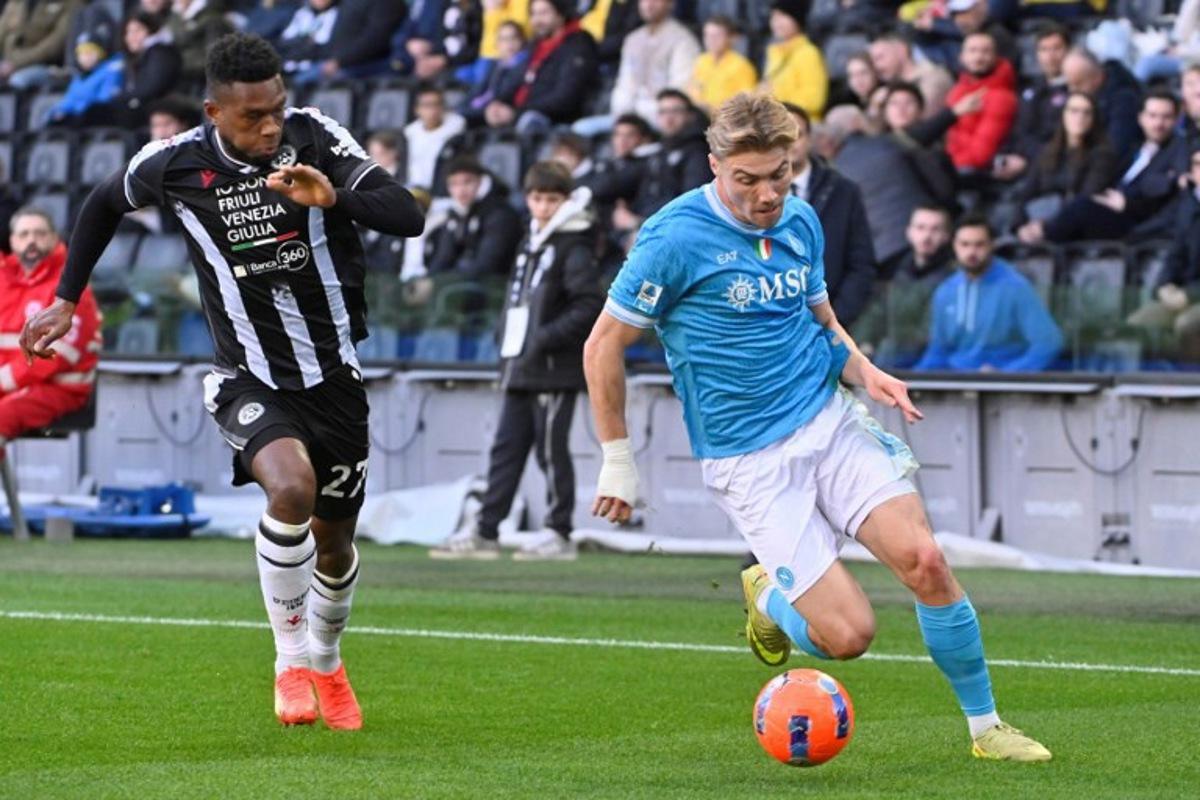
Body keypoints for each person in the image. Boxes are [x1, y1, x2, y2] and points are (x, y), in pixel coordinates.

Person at [584, 92, 1052, 762]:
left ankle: (987, 730)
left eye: (780, 174)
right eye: (748, 179)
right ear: (714, 165)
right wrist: (617, 459)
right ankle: (769, 598)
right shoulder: (672, 238)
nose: (767, 193)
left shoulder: (802, 220)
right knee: (849, 636)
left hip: (827, 419)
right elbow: (602, 344)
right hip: (749, 457)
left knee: (926, 561)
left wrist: (866, 369)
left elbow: (821, 321)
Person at [20, 32, 424, 731]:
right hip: (246, 375)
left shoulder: (316, 139)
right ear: (214, 111)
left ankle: (327, 661)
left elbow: (408, 216)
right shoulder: (174, 164)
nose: (269, 126)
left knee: (335, 546)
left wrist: (334, 199)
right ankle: (290, 658)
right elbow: (99, 204)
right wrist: (64, 296)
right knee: (290, 488)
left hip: (332, 377)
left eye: (275, 109)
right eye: (251, 116)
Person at [431, 161, 604, 561]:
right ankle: (486, 530)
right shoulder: (531, 241)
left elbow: (588, 305)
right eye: (536, 198)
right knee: (506, 449)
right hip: (520, 365)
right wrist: (505, 333)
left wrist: (542, 338)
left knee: (550, 451)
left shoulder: (573, 245)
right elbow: (518, 298)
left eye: (551, 199)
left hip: (552, 369)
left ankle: (559, 532)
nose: (542, 206)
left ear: (565, 201)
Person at [1024, 91, 1188, 244]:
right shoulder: (1134, 149)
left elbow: (1165, 190)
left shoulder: (1179, 149)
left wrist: (1127, 203)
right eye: (1152, 116)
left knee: (1082, 207)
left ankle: (1043, 236)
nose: (1158, 123)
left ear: (1176, 120)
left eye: (1166, 117)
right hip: (1108, 211)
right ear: (1141, 118)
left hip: (1133, 222)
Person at [0, 208, 101, 445]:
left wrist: (3, 380)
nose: (31, 240)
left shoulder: (71, 285)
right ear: (12, 241)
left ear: (54, 238)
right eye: (24, 234)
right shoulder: (3, 280)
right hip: (11, 383)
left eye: (40, 233)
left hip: (58, 388)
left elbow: (58, 356)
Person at [915, 214, 1063, 372]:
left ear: (991, 245)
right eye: (965, 244)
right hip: (954, 382)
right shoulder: (945, 291)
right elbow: (938, 349)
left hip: (998, 387)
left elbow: (1048, 342)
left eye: (979, 245)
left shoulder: (1015, 287)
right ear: (954, 246)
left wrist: (1007, 373)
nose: (971, 252)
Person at [786, 104, 876, 328]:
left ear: (809, 139)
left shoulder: (843, 190)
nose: (789, 142)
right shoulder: (749, 195)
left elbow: (861, 263)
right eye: (779, 135)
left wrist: (834, 319)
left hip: (830, 327)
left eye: (797, 133)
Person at [858, 204, 957, 368]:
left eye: (935, 229)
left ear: (947, 236)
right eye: (921, 228)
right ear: (909, 232)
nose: (927, 236)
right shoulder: (896, 274)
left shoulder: (954, 279)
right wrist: (864, 343)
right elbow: (875, 315)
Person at [1126, 147, 1200, 364]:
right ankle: (1151, 387)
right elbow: (1175, 254)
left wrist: (1189, 295)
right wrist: (1163, 287)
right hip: (1181, 294)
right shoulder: (1188, 206)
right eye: (1197, 164)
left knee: (1186, 325)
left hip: (1193, 296)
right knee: (1138, 322)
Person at [1014, 92, 1117, 240]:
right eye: (1074, 111)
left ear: (1094, 119)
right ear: (1064, 115)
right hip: (1037, 223)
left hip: (1070, 228)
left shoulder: (1102, 155)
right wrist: (1020, 226)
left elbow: (1086, 197)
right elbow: (1027, 193)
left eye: (1086, 113)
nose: (1080, 118)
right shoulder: (1047, 152)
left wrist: (1045, 226)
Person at [993, 22, 1070, 182]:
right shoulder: (1028, 89)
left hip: (1046, 171)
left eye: (1057, 48)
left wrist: (1027, 162)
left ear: (1069, 51)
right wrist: (1002, 156)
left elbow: (1061, 141)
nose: (1050, 56)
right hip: (1013, 163)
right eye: (1044, 49)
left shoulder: (1075, 92)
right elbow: (1015, 129)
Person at [425, 155, 523, 280]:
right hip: (462, 285)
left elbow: (488, 264)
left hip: (494, 287)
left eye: (467, 182)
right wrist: (429, 281)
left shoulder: (500, 214)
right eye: (454, 184)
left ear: (481, 181)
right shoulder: (455, 214)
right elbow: (443, 258)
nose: (461, 190)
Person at [610, 0, 700, 124]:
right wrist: (623, 119)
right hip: (630, 118)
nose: (649, 5)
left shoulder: (683, 40)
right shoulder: (632, 39)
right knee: (582, 128)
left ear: (670, 4)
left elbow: (680, 90)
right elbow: (624, 86)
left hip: (662, 119)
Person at [944, 31, 1017, 174]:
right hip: (953, 164)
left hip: (973, 172)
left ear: (996, 57)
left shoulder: (1001, 97)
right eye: (972, 51)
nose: (978, 57)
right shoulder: (957, 90)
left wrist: (945, 168)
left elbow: (980, 156)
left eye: (985, 51)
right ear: (962, 57)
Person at [1061, 46, 1141, 163]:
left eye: (1078, 84)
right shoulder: (1075, 96)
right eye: (1070, 84)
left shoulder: (1124, 100)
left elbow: (1116, 147)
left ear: (1097, 78)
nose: (1072, 91)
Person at [760, 0, 827, 120]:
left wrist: (775, 98)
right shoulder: (774, 53)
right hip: (778, 123)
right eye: (773, 16)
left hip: (801, 126)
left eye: (782, 16)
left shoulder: (809, 53)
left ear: (797, 20)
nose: (776, 22)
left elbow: (815, 100)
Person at [869, 32, 952, 118]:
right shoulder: (887, 89)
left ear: (902, 50)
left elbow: (922, 118)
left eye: (880, 57)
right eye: (873, 61)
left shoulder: (933, 76)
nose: (876, 66)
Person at [687, 14, 757, 115]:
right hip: (699, 117)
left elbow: (745, 103)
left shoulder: (742, 66)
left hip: (727, 121)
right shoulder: (701, 61)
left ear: (731, 38)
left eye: (717, 35)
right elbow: (692, 91)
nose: (711, 40)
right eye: (707, 35)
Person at [405, 84, 466, 191]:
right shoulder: (410, 132)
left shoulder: (455, 127)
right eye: (427, 105)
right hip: (413, 190)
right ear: (417, 109)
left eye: (437, 104)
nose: (433, 110)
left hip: (442, 192)